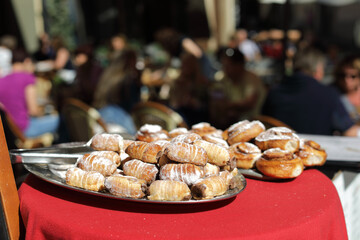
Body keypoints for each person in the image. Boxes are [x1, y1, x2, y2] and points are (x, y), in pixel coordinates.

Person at [262, 47, 360, 136]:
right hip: (315, 151)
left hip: (281, 150)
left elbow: (264, 123)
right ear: (318, 69)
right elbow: (349, 131)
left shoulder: (274, 92)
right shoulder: (328, 94)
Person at [0, 49, 59, 138]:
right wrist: (44, 112)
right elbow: (33, 111)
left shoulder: (2, 81)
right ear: (27, 61)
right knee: (63, 120)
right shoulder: (27, 78)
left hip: (12, 132)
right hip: (27, 128)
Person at [209, 47, 266, 129]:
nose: (225, 69)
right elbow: (215, 97)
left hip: (252, 125)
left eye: (228, 66)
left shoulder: (251, 79)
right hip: (231, 123)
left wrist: (227, 106)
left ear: (239, 65)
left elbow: (249, 103)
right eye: (224, 65)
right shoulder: (223, 78)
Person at [92, 49, 140, 135]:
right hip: (121, 124)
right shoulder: (128, 79)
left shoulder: (106, 76)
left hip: (102, 121)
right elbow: (134, 106)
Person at [168, 52, 209, 126]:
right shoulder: (177, 82)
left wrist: (195, 103)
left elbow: (206, 105)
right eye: (185, 64)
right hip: (181, 115)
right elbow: (173, 104)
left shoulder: (202, 83)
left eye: (190, 64)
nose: (187, 67)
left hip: (197, 115)